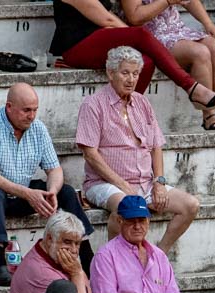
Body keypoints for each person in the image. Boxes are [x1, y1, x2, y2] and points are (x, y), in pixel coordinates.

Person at [0, 83, 97, 282]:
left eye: (34, 110)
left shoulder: (37, 128)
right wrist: (28, 194)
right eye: (26, 110)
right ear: (9, 107)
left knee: (65, 192)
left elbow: (55, 169)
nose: (31, 116)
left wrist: (51, 191)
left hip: (18, 191)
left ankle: (87, 257)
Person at [75, 49, 203, 252]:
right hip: (105, 184)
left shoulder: (142, 102)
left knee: (190, 205)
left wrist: (159, 182)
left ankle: (159, 255)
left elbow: (156, 146)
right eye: (125, 73)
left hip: (145, 183)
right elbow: (90, 154)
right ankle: (114, 263)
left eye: (135, 74)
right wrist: (123, 185)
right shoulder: (93, 104)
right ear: (110, 73)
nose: (131, 79)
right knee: (127, 205)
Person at [51, 8, 215, 129]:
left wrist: (137, 40)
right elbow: (107, 19)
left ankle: (125, 114)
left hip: (100, 38)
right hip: (77, 46)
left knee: (146, 61)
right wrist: (136, 39)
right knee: (140, 34)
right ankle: (191, 87)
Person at [118, 0, 215, 129]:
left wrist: (209, 24)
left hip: (176, 29)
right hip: (149, 37)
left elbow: (190, 1)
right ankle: (210, 115)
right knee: (200, 52)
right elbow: (135, 17)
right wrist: (167, 1)